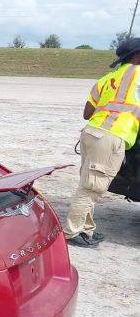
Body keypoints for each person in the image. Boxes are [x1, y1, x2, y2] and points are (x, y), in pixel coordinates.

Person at [64, 37, 140, 247]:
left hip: (91, 133)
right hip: (112, 136)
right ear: (137, 55)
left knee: (89, 184)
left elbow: (88, 112)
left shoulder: (108, 78)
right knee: (91, 188)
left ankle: (87, 230)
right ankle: (73, 232)